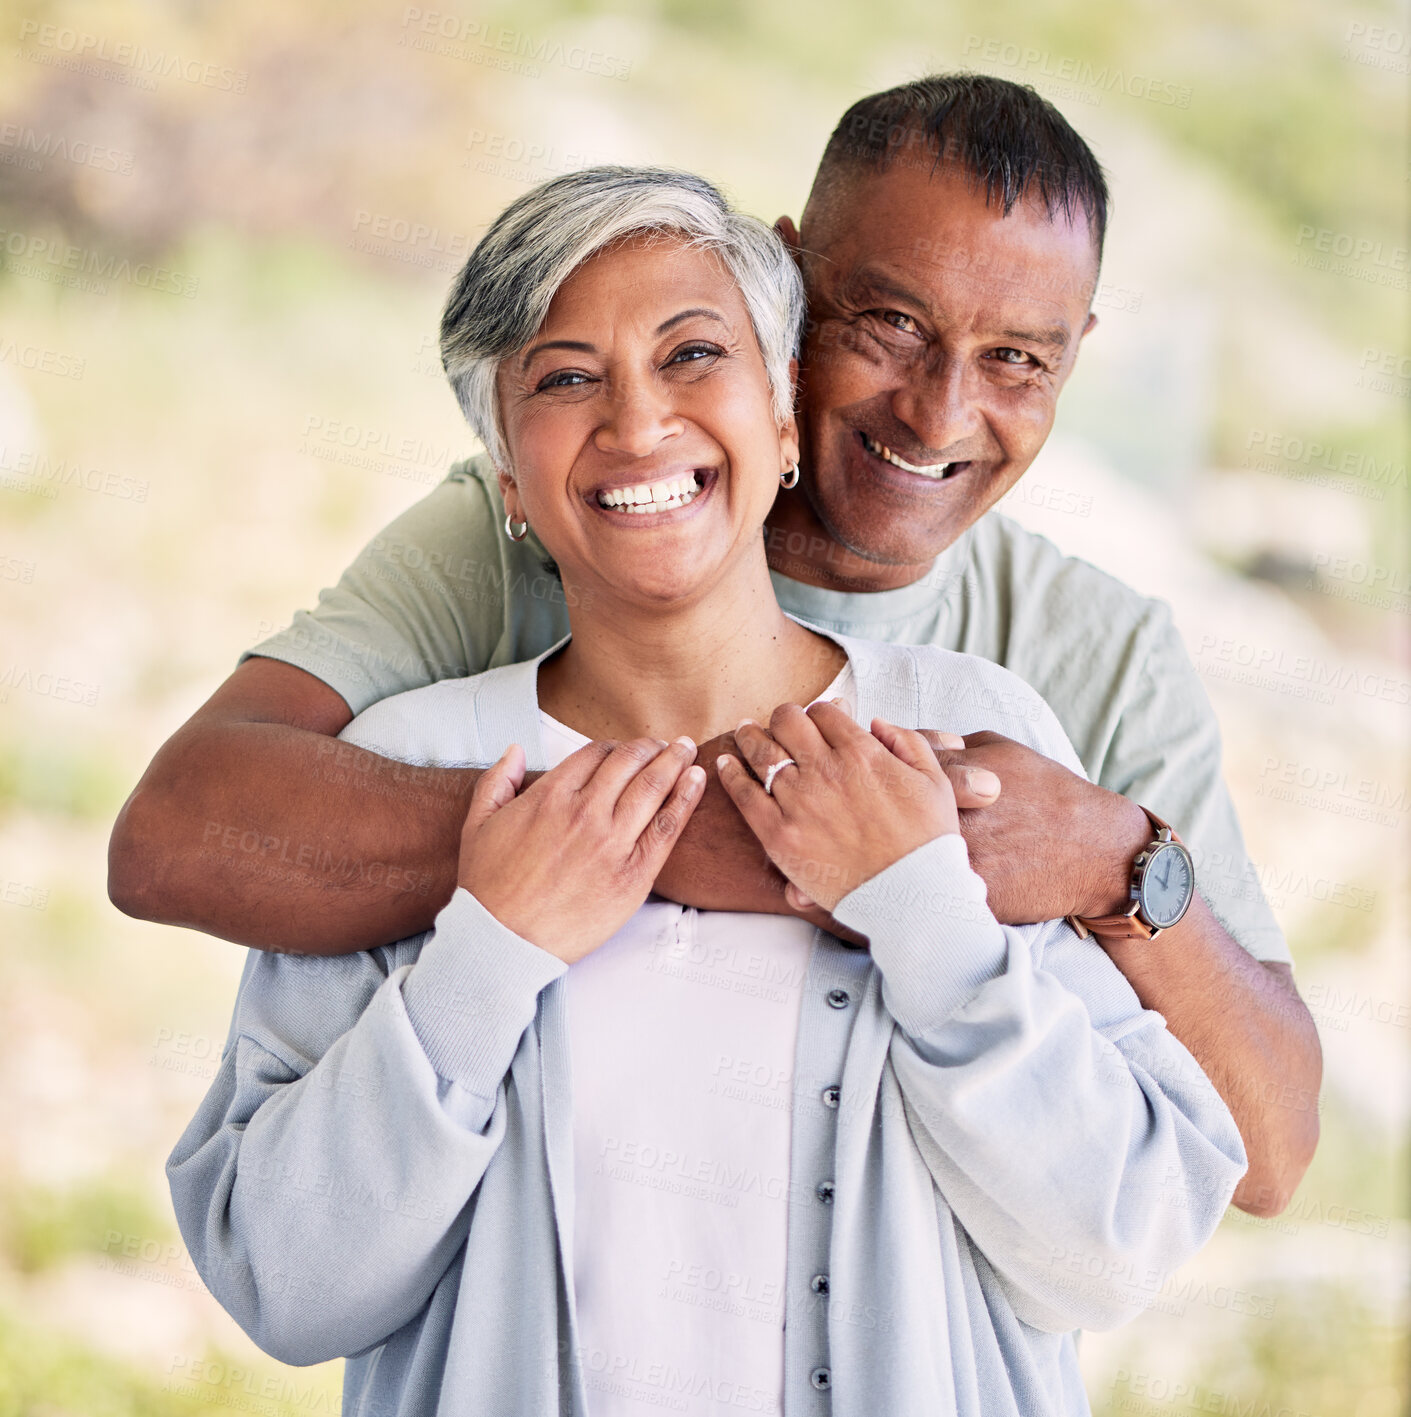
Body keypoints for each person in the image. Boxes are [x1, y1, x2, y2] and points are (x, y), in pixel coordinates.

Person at [112, 74, 1320, 1216]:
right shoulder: (548, 512)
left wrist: (1116, 860)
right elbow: (173, 834)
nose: (940, 413)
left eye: (1017, 358)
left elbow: (1263, 1156)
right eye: (891, 324)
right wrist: (683, 841)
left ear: (1075, 354)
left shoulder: (1091, 651)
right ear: (787, 289)